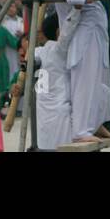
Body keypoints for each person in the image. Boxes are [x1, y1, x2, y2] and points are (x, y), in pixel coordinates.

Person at [46, 0, 110, 143]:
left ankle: (97, 121)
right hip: (86, 33)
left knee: (100, 81)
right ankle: (81, 130)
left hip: (94, 31)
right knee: (86, 80)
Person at [32, 9, 79, 150]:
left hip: (42, 111)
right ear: (58, 31)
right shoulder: (58, 50)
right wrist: (77, 9)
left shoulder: (36, 52)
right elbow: (69, 29)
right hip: (60, 110)